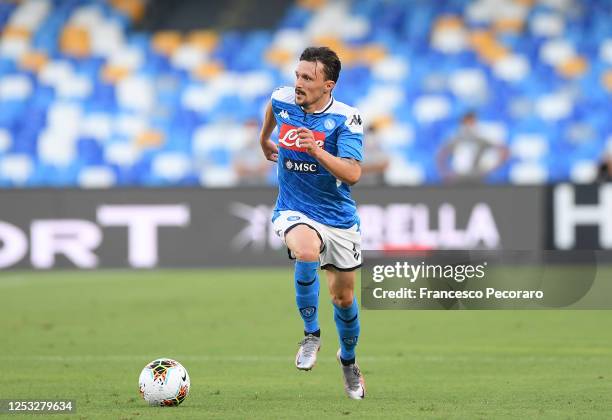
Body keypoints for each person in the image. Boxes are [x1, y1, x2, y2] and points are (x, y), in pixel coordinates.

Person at [259, 46, 366, 399]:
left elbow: (353, 173)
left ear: (329, 85)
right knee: (306, 251)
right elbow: (272, 110)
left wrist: (317, 151)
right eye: (297, 75)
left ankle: (348, 361)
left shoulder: (347, 119)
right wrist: (263, 139)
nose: (298, 83)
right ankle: (311, 336)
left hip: (337, 217)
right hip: (294, 207)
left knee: (344, 298)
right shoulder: (283, 99)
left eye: (308, 78)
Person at [437, 112, 509, 183]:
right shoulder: (456, 139)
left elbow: (503, 150)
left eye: (471, 123)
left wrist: (491, 169)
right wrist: (445, 172)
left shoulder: (480, 139)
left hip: (476, 177)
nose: (469, 126)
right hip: (458, 177)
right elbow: (441, 154)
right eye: (467, 123)